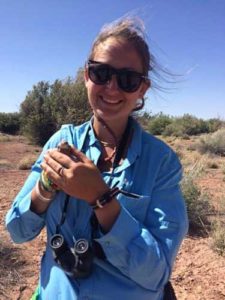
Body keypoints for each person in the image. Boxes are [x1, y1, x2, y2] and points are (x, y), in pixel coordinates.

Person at [5, 17, 188, 300]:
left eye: (128, 79)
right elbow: (18, 231)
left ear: (142, 89)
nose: (112, 88)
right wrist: (44, 187)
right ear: (86, 76)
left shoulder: (161, 163)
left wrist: (100, 198)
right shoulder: (60, 143)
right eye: (101, 73)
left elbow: (156, 274)